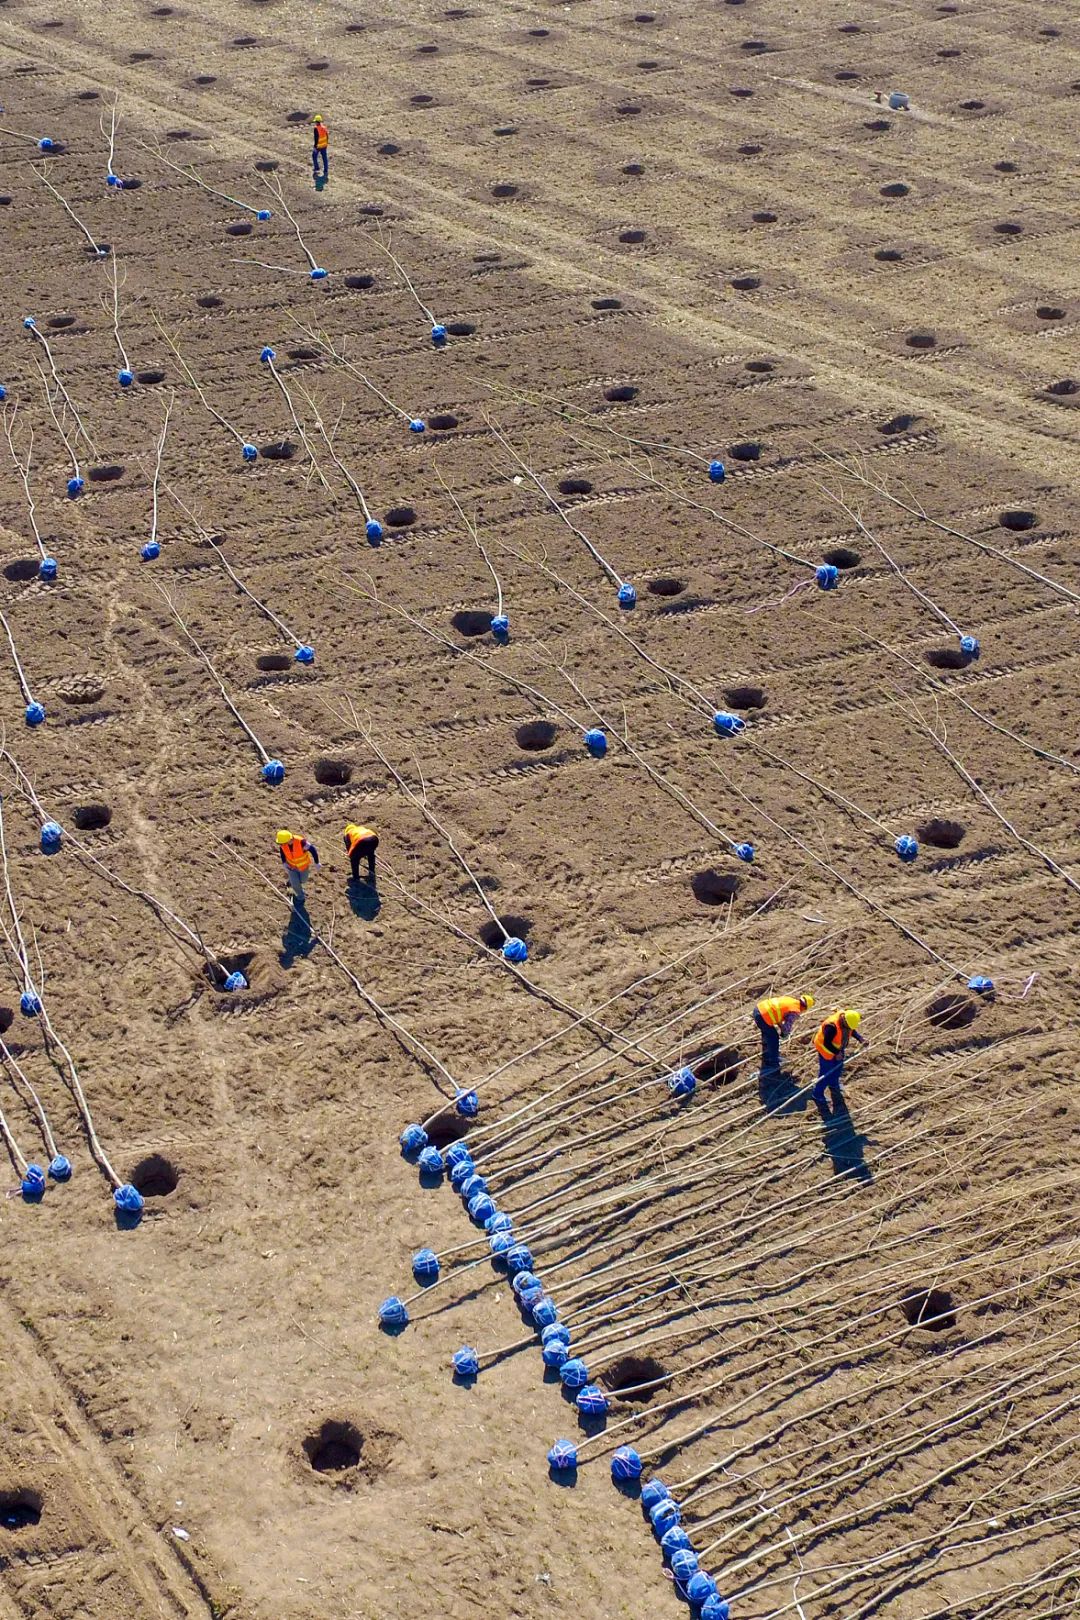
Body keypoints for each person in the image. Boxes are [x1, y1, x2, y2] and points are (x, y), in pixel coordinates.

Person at [753, 992, 814, 1076]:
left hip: (758, 1009)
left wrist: (781, 1026)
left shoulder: (790, 1000)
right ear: (805, 1008)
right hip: (763, 1016)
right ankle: (773, 1062)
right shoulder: (795, 1011)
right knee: (774, 1038)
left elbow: (778, 1014)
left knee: (767, 1031)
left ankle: (767, 1048)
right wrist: (785, 1034)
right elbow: (787, 1026)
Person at [813, 1009, 865, 1106]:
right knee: (826, 1073)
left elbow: (852, 1030)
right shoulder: (831, 1026)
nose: (850, 1029)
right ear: (844, 1020)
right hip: (826, 1051)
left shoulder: (847, 1020)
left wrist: (859, 1038)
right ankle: (817, 1094)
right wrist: (836, 1053)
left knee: (838, 1067)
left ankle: (833, 1084)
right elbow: (826, 1043)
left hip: (838, 1048)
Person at [277, 828, 319, 901]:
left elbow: (313, 850)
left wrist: (317, 862)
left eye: (282, 843)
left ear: (288, 840)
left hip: (303, 867)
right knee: (296, 884)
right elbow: (282, 853)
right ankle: (300, 896)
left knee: (303, 880)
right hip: (291, 867)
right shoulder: (283, 845)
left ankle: (291, 882)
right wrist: (284, 862)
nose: (281, 845)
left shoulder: (301, 842)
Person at [312, 116, 329, 181]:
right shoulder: (324, 128)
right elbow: (327, 136)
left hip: (318, 146)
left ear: (316, 122)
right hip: (324, 145)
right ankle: (326, 170)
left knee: (314, 156)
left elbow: (316, 138)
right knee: (324, 158)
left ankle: (317, 168)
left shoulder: (316, 128)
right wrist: (326, 143)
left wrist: (315, 146)